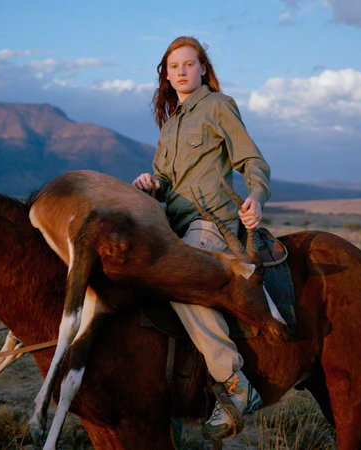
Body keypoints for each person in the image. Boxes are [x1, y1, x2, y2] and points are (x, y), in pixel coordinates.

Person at [132, 36, 271, 441]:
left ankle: (234, 383)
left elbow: (252, 160)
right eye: (173, 66)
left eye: (188, 64)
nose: (180, 71)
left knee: (178, 280)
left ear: (203, 69)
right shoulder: (171, 123)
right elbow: (167, 180)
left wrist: (256, 197)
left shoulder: (217, 106)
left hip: (211, 225)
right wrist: (151, 182)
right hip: (173, 226)